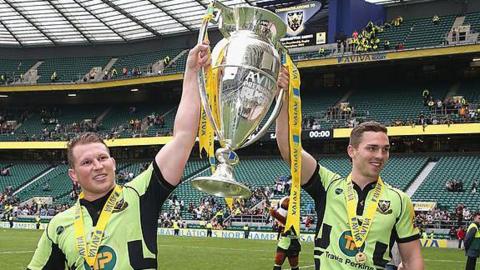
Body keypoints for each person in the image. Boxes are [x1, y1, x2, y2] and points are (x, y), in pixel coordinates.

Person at [27, 42, 210, 270]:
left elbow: (183, 137)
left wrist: (191, 72)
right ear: (73, 175)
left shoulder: (140, 194)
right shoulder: (58, 226)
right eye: (86, 162)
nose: (97, 166)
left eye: (102, 158)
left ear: (113, 163)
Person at [275, 66, 424, 269]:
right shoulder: (327, 185)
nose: (380, 155)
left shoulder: (399, 200)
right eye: (372, 148)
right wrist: (283, 101)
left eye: (385, 149)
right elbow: (288, 149)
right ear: (351, 151)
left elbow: (412, 258)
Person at [269, 196, 301, 270]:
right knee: (278, 262)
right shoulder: (283, 210)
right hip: (284, 241)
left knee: (294, 265)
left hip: (293, 242)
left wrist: (275, 214)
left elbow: (289, 223)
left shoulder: (295, 214)